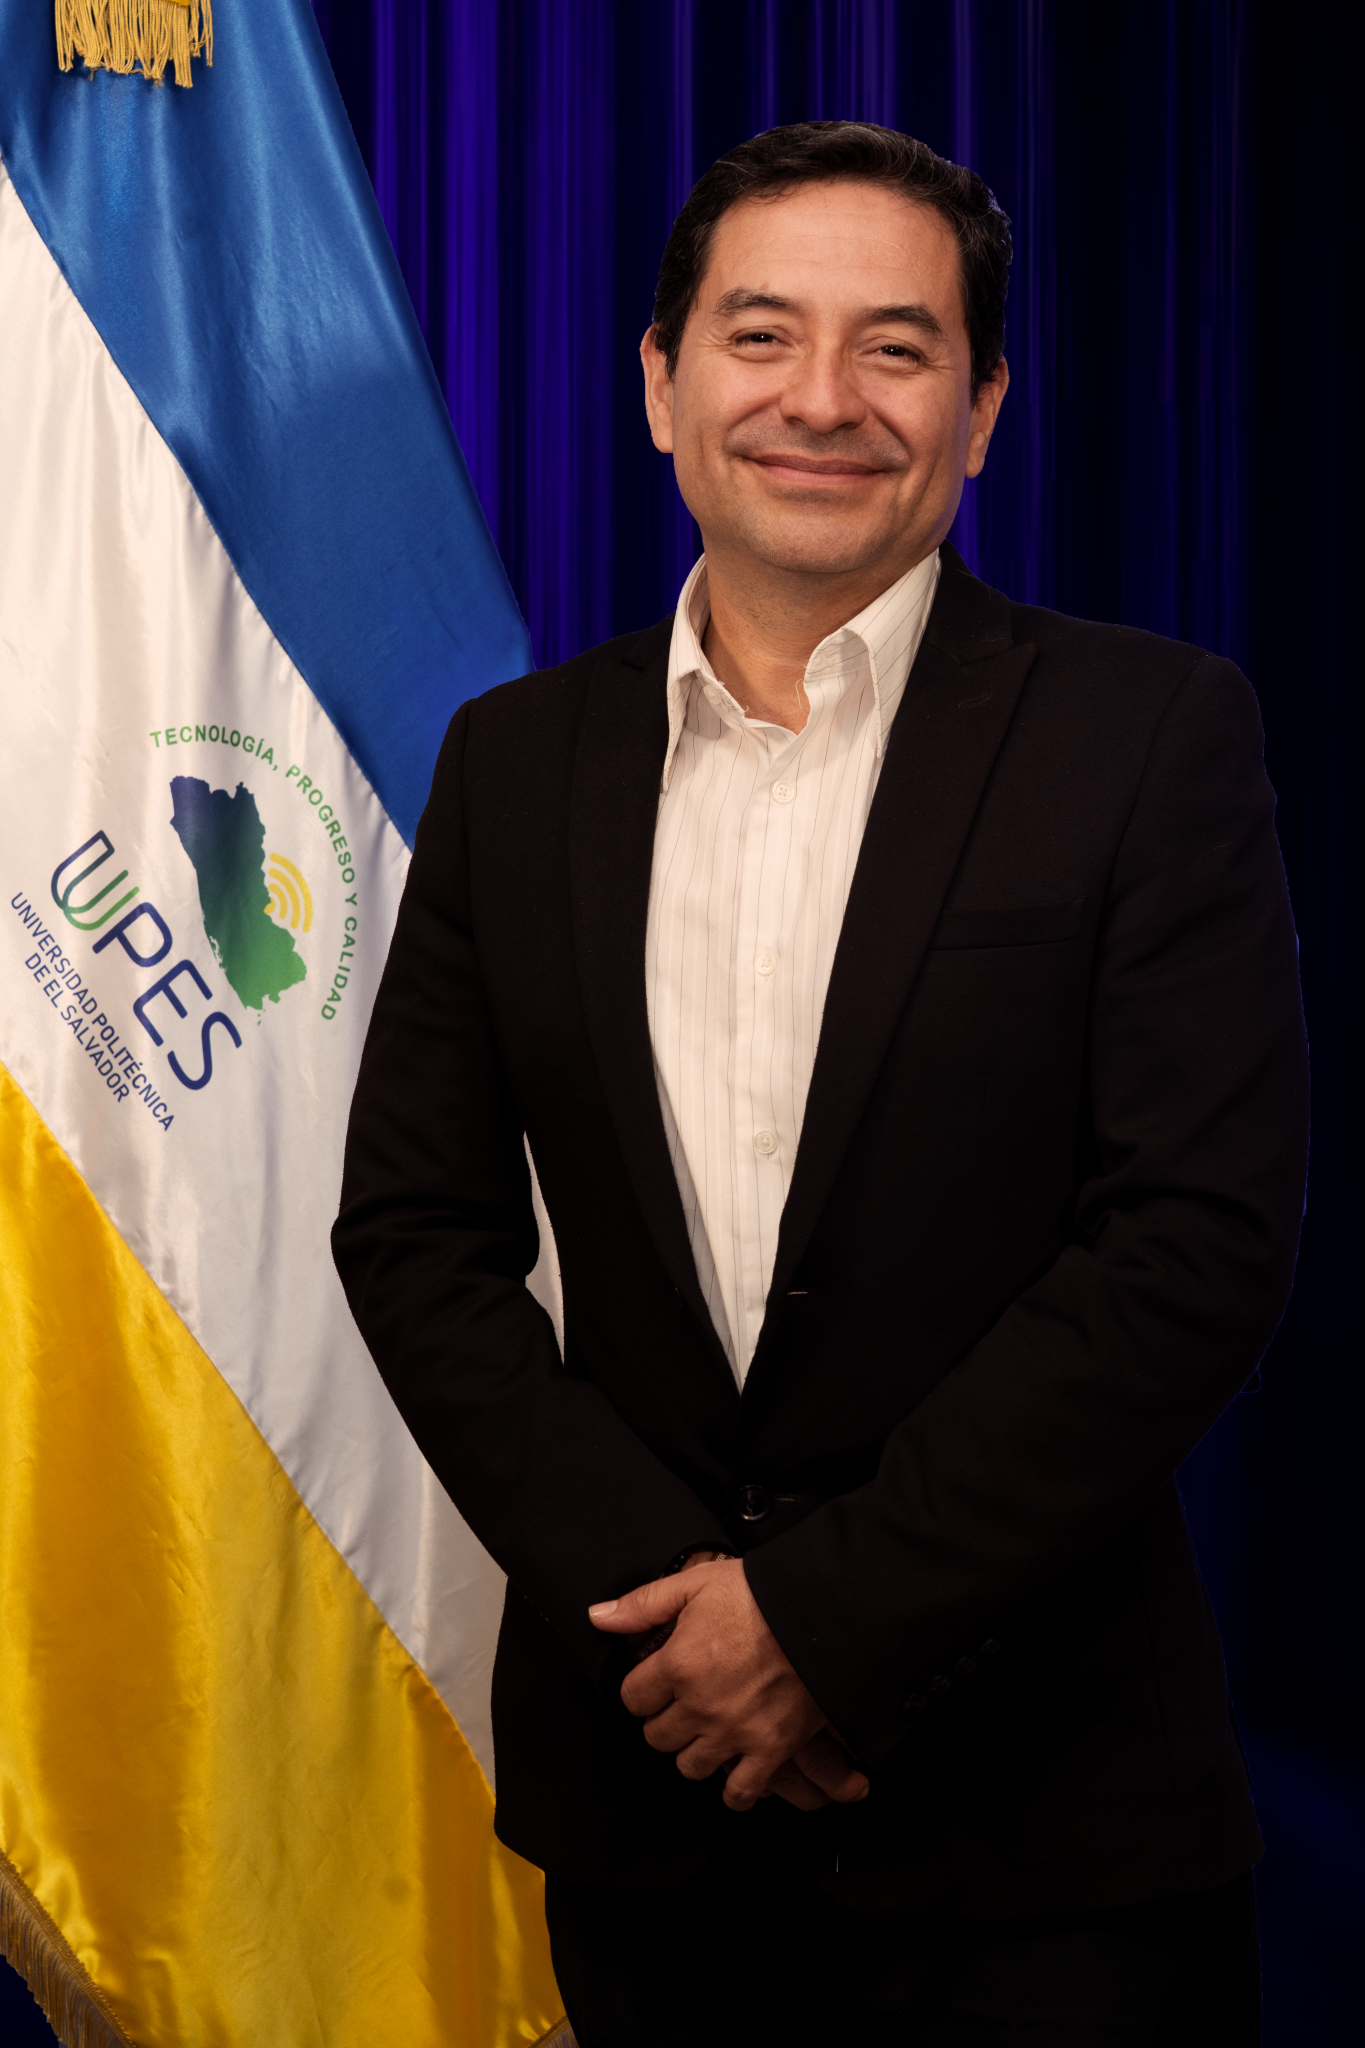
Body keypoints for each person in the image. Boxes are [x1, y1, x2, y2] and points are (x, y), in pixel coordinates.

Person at [332, 122, 1308, 2045]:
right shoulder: (511, 769)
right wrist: (681, 1618)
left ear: (983, 408)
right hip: (654, 1796)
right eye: (762, 334)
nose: (823, 400)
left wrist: (825, 1626)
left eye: (898, 347)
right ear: (661, 384)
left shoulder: (1150, 738)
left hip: (1051, 1834)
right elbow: (415, 1237)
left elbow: (1191, 1244)